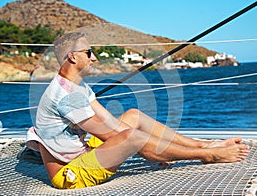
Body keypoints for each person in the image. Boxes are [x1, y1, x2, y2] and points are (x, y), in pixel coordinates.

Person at [26, 32, 250, 189]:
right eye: (89, 52)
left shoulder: (75, 84)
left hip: (80, 151)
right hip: (70, 173)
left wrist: (159, 148)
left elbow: (109, 121)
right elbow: (117, 137)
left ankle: (205, 144)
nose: (94, 57)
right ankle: (207, 154)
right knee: (133, 137)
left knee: (132, 116)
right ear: (73, 57)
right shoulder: (67, 96)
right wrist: (155, 150)